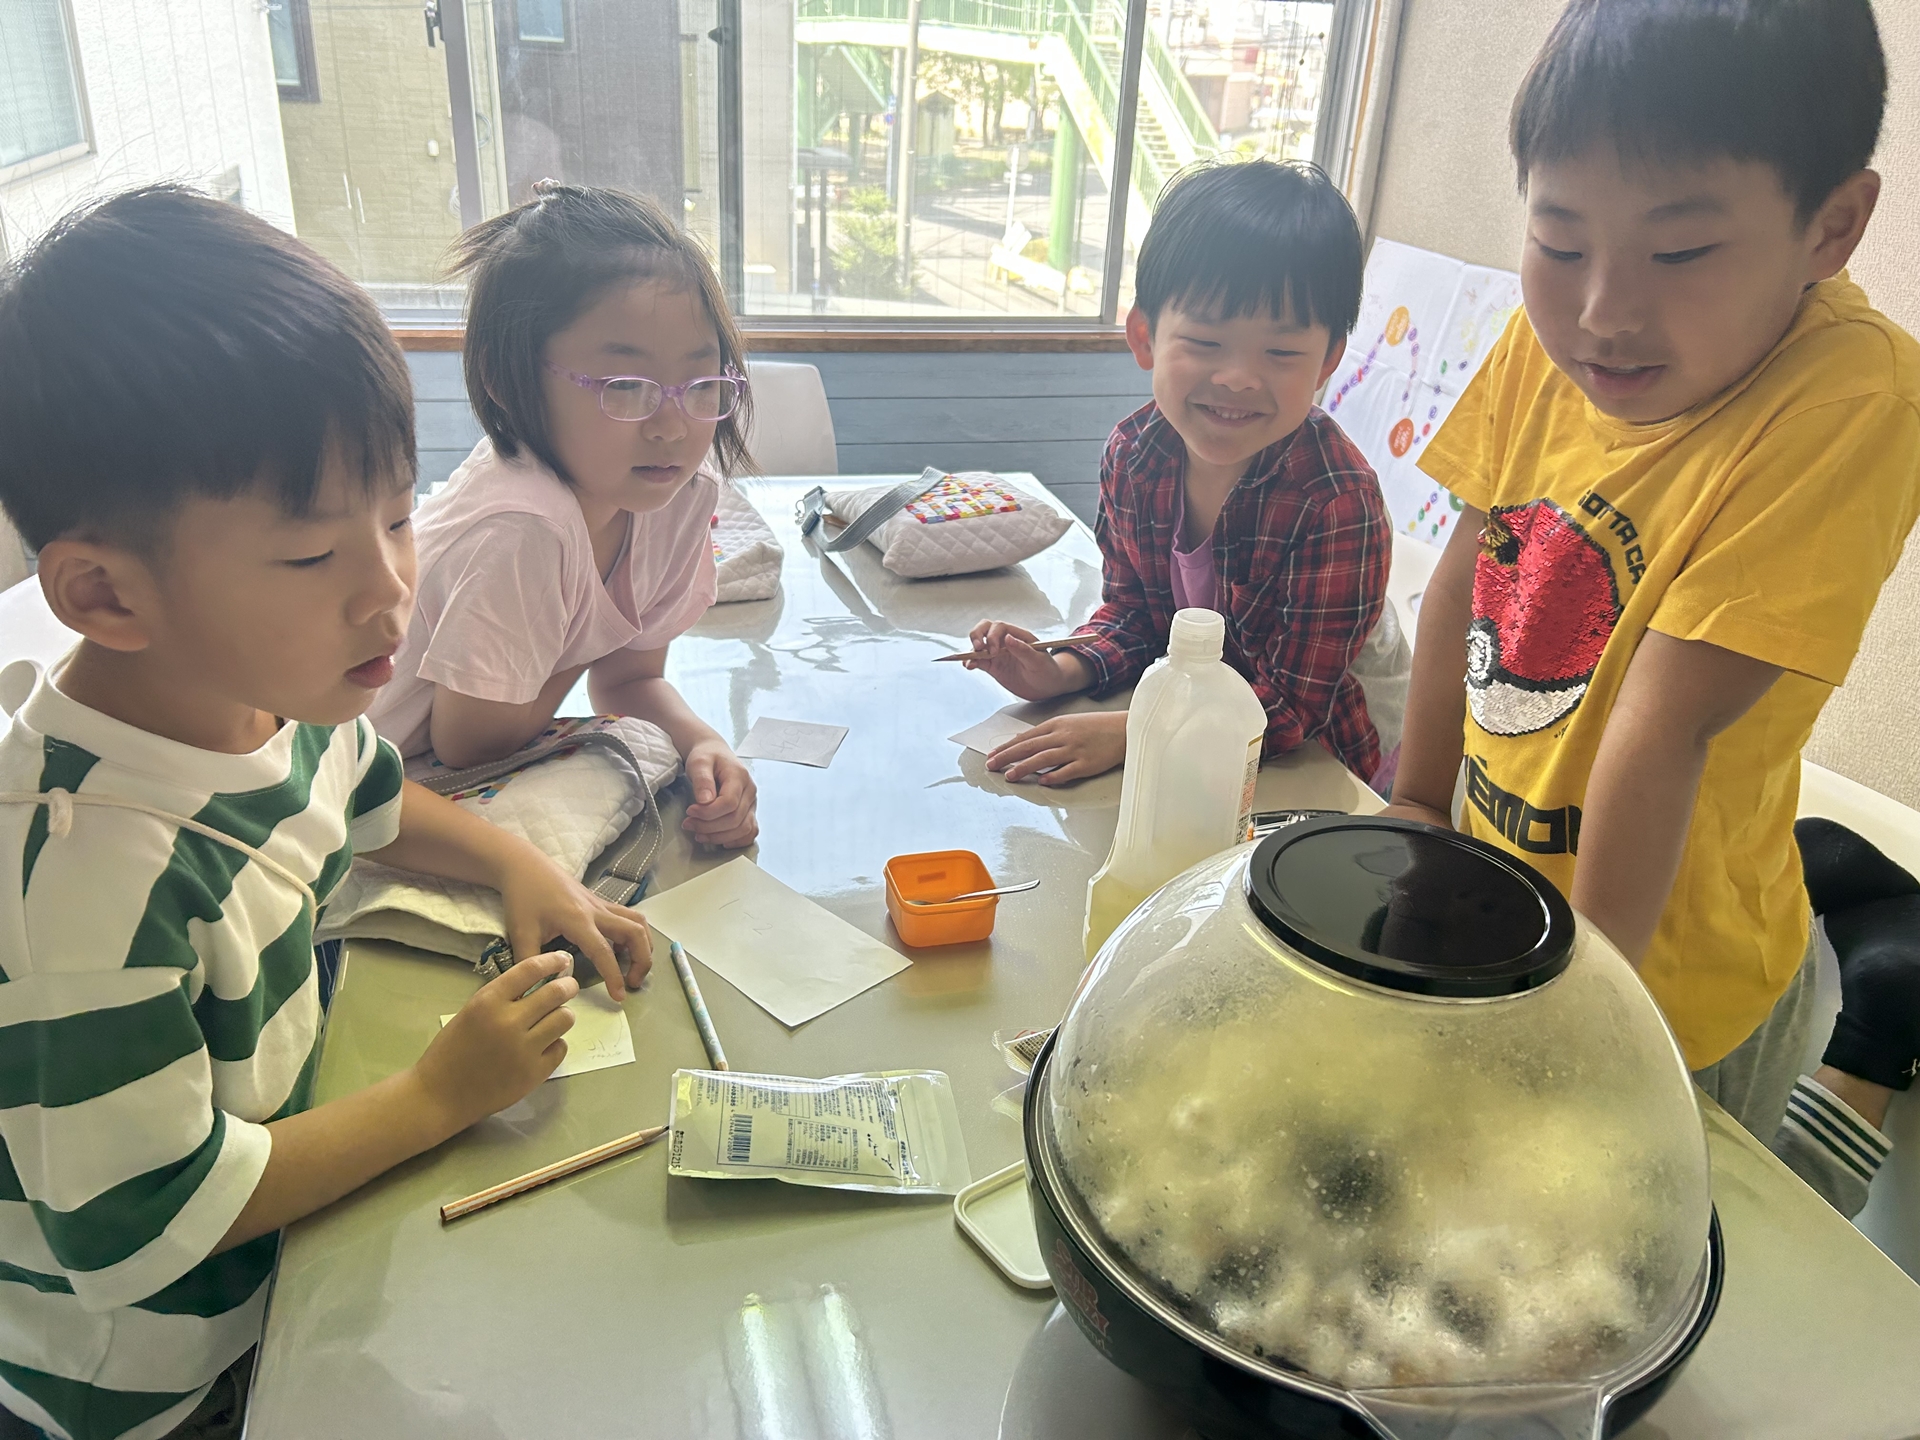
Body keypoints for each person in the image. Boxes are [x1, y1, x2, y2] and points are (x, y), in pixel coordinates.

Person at [0, 186, 652, 1440]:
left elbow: (363, 794)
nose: (390, 591)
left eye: (398, 518)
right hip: (153, 1382)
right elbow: (142, 1222)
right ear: (107, 595)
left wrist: (517, 864)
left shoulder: (267, 694)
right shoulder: (84, 888)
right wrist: (436, 1096)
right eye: (311, 556)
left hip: (286, 1254)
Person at [1383, 0, 1919, 1196]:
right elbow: (1469, 565)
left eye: (1680, 254)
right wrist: (1417, 799)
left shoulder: (1853, 397)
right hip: (1495, 903)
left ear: (1832, 225)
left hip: (1661, 987)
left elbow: (1664, 726)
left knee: (1634, 1247)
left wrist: (1586, 1016)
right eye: (1559, 239)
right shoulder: (1549, 340)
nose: (1603, 312)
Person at [962, 160, 1406, 787]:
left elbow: (1294, 706)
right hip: (1191, 725)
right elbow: (1135, 618)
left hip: (1322, 765)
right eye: (1204, 342)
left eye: (1281, 352)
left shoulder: (1335, 502)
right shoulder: (1135, 456)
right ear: (1144, 336)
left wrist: (1138, 732)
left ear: (1329, 360)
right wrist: (1058, 669)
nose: (1239, 378)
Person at [367, 182, 757, 848]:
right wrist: (591, 633)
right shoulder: (523, 525)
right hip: (353, 787)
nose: (672, 427)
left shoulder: (678, 495)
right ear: (505, 379)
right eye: (625, 386)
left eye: (701, 383)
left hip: (440, 779)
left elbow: (629, 677)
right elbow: (467, 743)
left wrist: (702, 742)